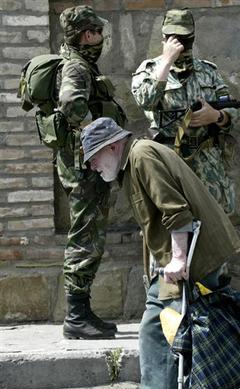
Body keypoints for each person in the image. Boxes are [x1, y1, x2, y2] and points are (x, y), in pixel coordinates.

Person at [80, 116, 240, 389]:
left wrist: (180, 259)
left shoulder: (141, 156)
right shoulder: (135, 160)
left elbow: (174, 210)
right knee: (162, 327)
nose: (92, 167)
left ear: (112, 146)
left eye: (94, 158)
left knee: (186, 328)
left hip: (194, 255)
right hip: (183, 257)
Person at [56, 5, 127, 339]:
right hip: (85, 168)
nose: (101, 38)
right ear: (87, 35)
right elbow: (71, 102)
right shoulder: (75, 66)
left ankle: (81, 312)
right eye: (97, 32)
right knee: (86, 236)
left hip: (84, 165)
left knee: (89, 234)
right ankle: (75, 316)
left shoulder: (77, 62)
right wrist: (97, 136)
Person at [131, 8, 239, 215]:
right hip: (169, 160)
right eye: (173, 36)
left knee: (214, 222)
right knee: (175, 224)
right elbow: (146, 101)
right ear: (164, 38)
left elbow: (232, 108)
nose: (179, 42)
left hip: (207, 160)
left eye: (184, 37)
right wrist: (166, 62)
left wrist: (216, 116)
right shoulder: (149, 70)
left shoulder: (208, 71)